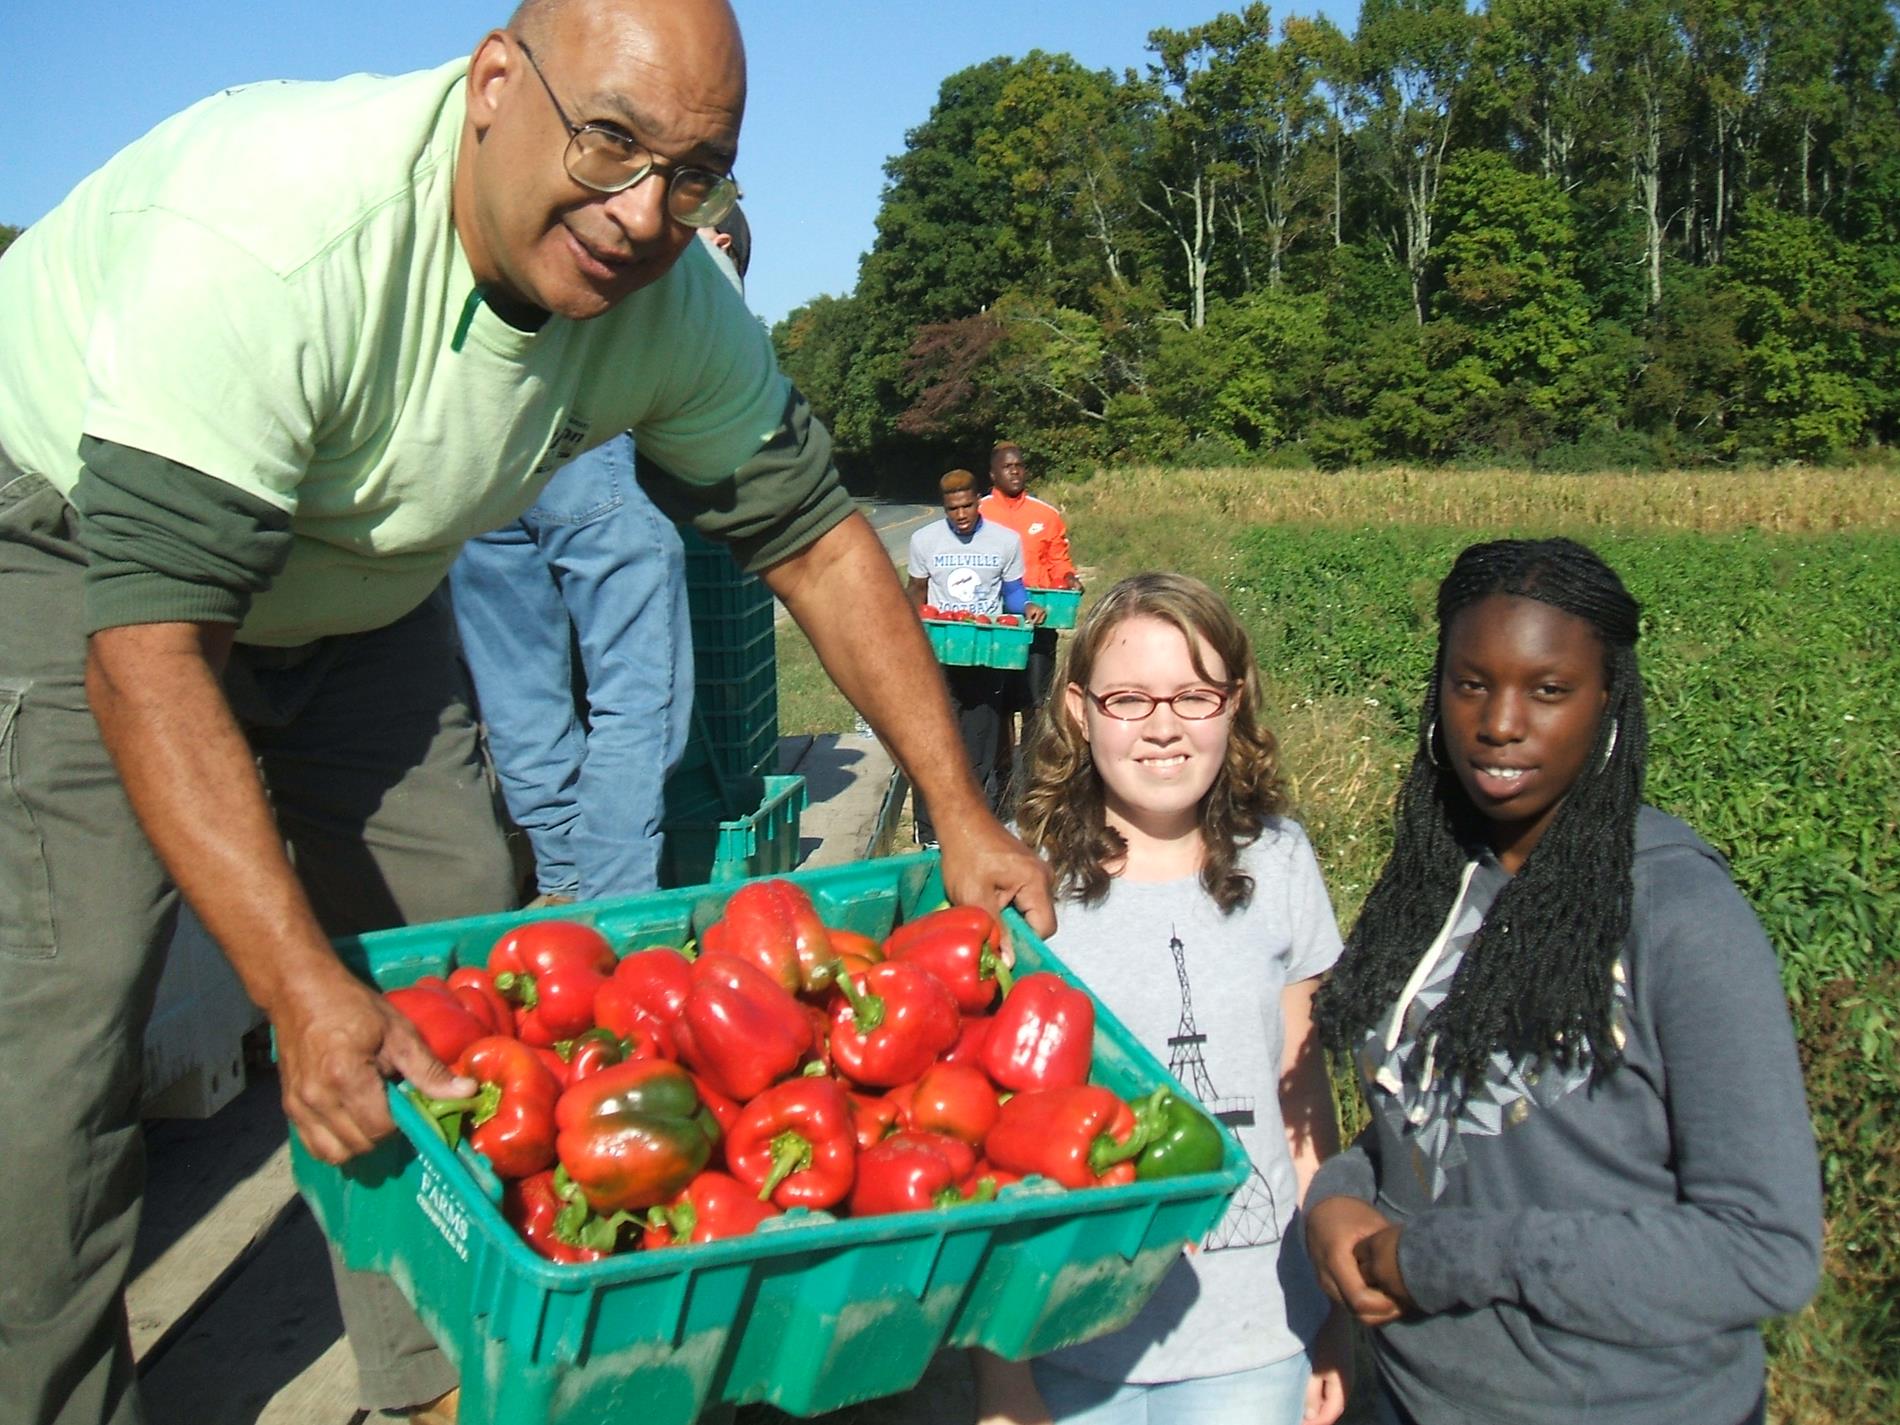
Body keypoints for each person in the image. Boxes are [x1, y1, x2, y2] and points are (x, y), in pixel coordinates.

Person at [0, 4, 1053, 1423]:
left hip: (359, 579)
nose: (643, 214)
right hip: (79, 549)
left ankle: (436, 1369)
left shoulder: (667, 303)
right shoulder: (274, 234)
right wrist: (293, 983)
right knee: (59, 1045)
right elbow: (151, 653)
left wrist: (964, 811)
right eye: (608, 141)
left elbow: (817, 540)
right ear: (495, 82)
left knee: (455, 951)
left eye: (695, 176)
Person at [1304, 538, 1821, 1425]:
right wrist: (1339, 1195)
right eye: (1471, 683)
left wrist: (1449, 1259)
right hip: (1415, 1399)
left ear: (1608, 703)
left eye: (1548, 689)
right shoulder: (1433, 877)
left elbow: (1765, 1249)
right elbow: (1430, 1122)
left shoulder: (1679, 914)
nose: (1501, 723)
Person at [989, 572, 1350, 1425]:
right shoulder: (1021, 875)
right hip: (1069, 1335)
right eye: (1128, 699)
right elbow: (991, 1145)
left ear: (1234, 702)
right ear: (1079, 710)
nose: (1163, 726)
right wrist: (1001, 1377)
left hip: (1255, 1334)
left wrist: (1330, 1318)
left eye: (1194, 696)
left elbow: (1303, 1101)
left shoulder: (1281, 861)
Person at [448, 212, 751, 906]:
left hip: (480, 458)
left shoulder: (562, 221)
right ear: (722, 239)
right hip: (588, 452)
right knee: (636, 692)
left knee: (519, 690)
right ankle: (615, 900)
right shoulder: (696, 254)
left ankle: (561, 877)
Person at [906, 469, 1043, 847]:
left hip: (986, 654)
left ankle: (975, 827)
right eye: (953, 509)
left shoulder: (1005, 541)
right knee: (936, 744)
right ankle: (931, 832)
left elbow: (1013, 592)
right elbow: (916, 591)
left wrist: (1026, 606)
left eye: (967, 506)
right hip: (942, 654)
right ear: (944, 507)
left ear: (977, 501)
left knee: (980, 745)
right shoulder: (924, 540)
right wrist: (911, 634)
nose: (961, 515)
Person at [978, 441, 1081, 722]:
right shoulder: (979, 513)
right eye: (1007, 467)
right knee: (998, 702)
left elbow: (1059, 561)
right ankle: (1001, 751)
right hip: (995, 620)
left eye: (1019, 466)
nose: (1014, 472)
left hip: (1039, 617)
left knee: (1036, 699)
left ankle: (1033, 750)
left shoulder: (1046, 515)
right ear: (993, 474)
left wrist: (1069, 578)